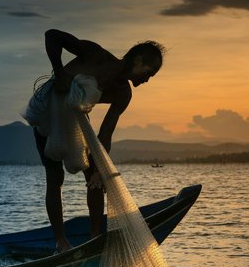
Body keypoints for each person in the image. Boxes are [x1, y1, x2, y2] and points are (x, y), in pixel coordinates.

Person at [33, 29, 164, 253]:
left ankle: (95, 236)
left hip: (75, 121)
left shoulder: (123, 94)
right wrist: (59, 72)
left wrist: (100, 170)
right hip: (49, 113)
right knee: (55, 177)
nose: (146, 79)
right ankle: (61, 242)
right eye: (148, 72)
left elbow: (106, 133)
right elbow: (51, 35)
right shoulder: (96, 56)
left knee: (95, 173)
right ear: (138, 59)